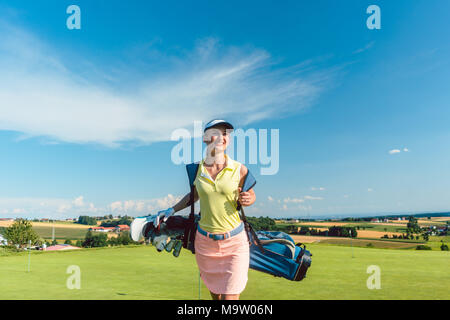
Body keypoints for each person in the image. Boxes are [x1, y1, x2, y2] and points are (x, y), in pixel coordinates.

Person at [139, 120, 256, 300]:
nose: (223, 137)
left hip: (235, 243)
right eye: (218, 132)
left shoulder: (239, 169)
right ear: (205, 139)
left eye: (226, 134)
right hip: (206, 244)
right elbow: (193, 195)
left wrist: (248, 198)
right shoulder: (196, 169)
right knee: (215, 298)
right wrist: (171, 209)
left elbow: (251, 194)